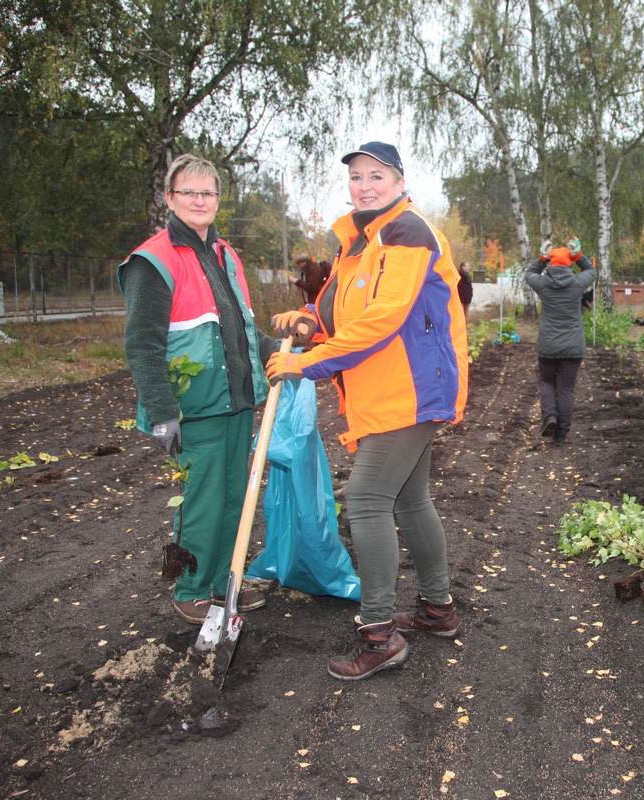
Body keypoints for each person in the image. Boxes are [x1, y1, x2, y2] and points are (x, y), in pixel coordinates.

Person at [266, 141, 469, 681]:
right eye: (356, 176)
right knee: (408, 498)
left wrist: (309, 364)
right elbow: (343, 307)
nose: (365, 184)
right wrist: (311, 319)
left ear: (399, 182)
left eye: (376, 175)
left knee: (367, 498)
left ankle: (380, 633)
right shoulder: (356, 243)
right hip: (385, 390)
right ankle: (437, 609)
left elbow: (384, 316)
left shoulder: (406, 232)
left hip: (410, 389)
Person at [119, 153, 279, 624]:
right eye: (188, 191)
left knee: (236, 496)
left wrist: (281, 353)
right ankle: (191, 585)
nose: (199, 200)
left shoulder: (225, 255)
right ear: (169, 198)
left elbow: (241, 326)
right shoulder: (154, 261)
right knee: (202, 499)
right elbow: (142, 344)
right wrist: (162, 409)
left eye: (207, 192)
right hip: (194, 408)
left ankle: (226, 578)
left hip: (237, 400)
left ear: (217, 199)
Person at [525, 238, 598, 445]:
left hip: (548, 345)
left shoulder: (543, 284)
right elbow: (592, 271)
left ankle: (550, 417)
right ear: (568, 263)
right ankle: (561, 436)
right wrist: (577, 255)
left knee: (547, 382)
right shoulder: (577, 284)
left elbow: (529, 274)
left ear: (551, 263)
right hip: (573, 346)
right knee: (566, 388)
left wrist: (541, 258)